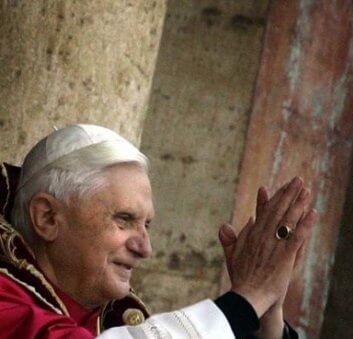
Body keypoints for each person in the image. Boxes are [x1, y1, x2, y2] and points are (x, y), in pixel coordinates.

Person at [0, 124, 317, 338]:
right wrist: (251, 296)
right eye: (124, 219)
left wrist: (268, 316)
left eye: (147, 225)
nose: (145, 248)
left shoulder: (105, 317)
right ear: (48, 218)